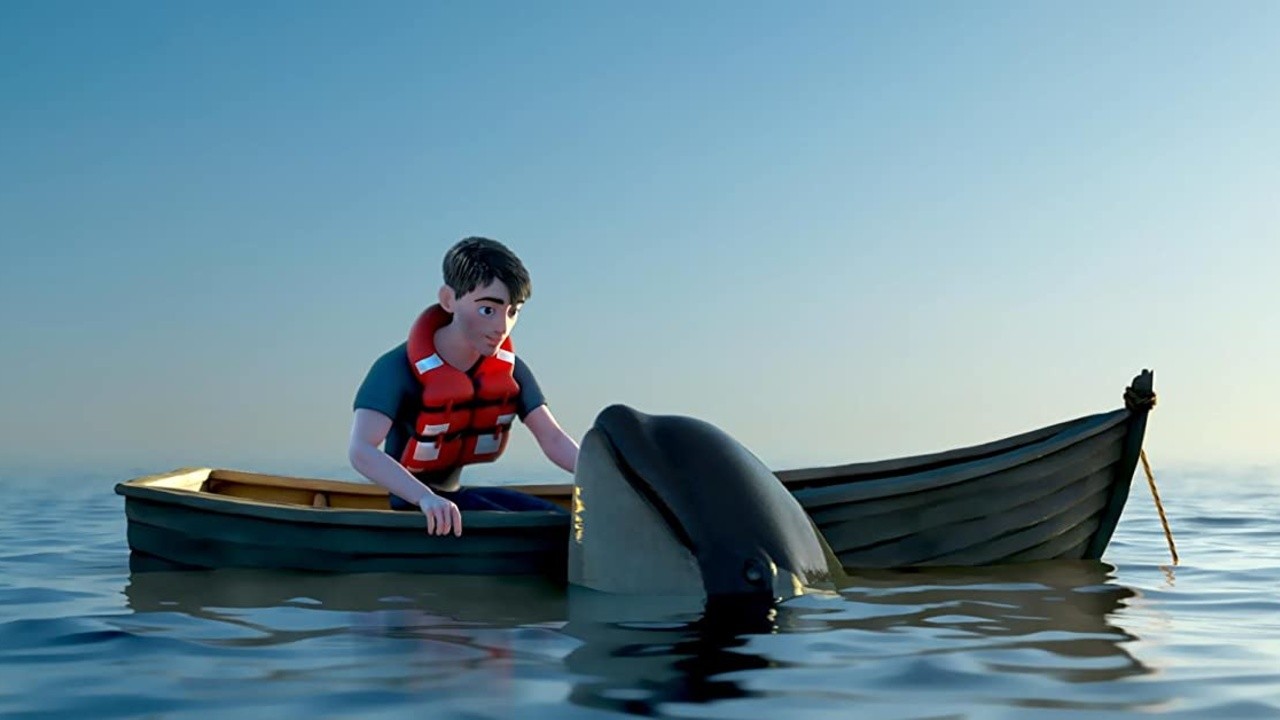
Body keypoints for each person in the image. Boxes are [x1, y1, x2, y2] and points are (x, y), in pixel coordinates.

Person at [348, 237, 579, 536]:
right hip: (416, 507)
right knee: (545, 531)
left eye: (512, 312)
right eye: (488, 310)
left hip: (455, 497)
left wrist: (601, 474)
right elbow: (361, 450)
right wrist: (425, 498)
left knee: (559, 520)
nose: (502, 327)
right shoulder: (395, 369)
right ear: (448, 300)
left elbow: (553, 438)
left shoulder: (510, 369)